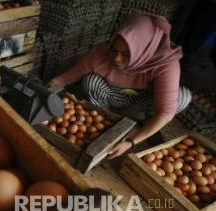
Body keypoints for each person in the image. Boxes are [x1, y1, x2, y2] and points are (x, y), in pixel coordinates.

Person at [48, 11, 192, 159]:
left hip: (140, 104)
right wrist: (48, 88)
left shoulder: (165, 64)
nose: (116, 59)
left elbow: (165, 111)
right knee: (90, 81)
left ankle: (142, 124)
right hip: (112, 99)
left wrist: (131, 141)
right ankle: (108, 118)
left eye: (126, 54)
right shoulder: (102, 54)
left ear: (144, 50)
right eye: (114, 50)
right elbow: (67, 77)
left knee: (182, 97)